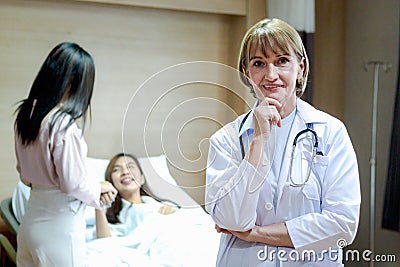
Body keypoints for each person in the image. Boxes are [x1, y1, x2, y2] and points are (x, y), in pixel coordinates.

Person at [205, 18, 361, 266]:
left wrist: (255, 234)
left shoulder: (331, 133)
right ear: (247, 72)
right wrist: (258, 140)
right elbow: (232, 220)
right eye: (259, 63)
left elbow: (343, 225)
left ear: (300, 67)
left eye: (282, 61)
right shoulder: (226, 141)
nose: (271, 75)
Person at [14, 42, 117, 267]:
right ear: (76, 83)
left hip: (30, 224)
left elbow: (25, 176)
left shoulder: (26, 116)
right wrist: (99, 188)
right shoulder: (62, 124)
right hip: (59, 229)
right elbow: (73, 184)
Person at [93, 152, 177, 239]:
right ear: (111, 183)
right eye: (116, 169)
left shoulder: (164, 205)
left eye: (130, 166)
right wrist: (98, 205)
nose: (125, 172)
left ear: (142, 179)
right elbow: (103, 243)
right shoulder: (116, 219)